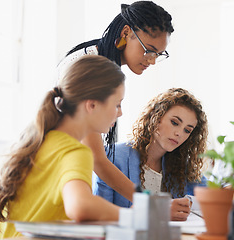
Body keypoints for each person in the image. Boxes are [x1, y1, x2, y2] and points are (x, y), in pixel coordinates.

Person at [0, 55, 126, 239]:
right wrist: (138, 217)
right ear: (92, 105)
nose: (120, 113)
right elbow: (80, 206)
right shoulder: (75, 151)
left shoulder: (35, 142)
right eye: (117, 104)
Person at [57, 1, 174, 203]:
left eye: (158, 54)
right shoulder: (92, 66)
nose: (152, 60)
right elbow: (97, 160)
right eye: (149, 50)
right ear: (126, 33)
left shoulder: (98, 57)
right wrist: (150, 204)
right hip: (58, 178)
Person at [94, 88, 209, 221]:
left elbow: (212, 195)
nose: (179, 134)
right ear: (156, 117)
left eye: (187, 130)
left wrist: (189, 201)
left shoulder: (181, 165)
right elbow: (100, 216)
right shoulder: (113, 156)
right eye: (174, 123)